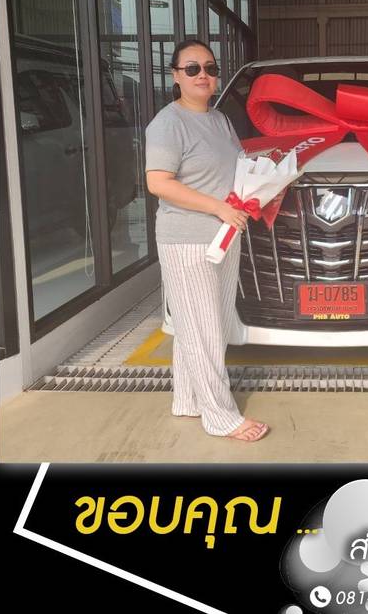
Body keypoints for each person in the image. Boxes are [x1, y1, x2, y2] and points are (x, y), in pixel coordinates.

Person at [145, 40, 269, 442]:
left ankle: (188, 400)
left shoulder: (219, 120)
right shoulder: (168, 123)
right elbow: (158, 183)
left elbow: (232, 168)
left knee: (200, 324)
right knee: (205, 330)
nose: (203, 75)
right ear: (175, 75)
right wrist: (218, 207)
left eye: (210, 68)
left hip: (225, 234)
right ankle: (220, 417)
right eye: (193, 68)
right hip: (188, 239)